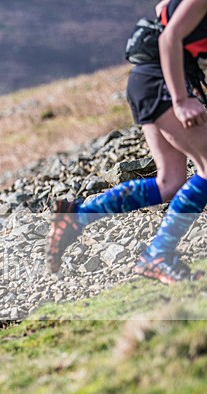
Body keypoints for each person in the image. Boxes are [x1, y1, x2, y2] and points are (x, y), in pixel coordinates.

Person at [47, 0, 207, 284]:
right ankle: (158, 253)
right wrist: (181, 100)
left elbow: (163, 11)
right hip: (163, 85)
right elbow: (169, 37)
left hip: (148, 81)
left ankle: (78, 216)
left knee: (169, 182)